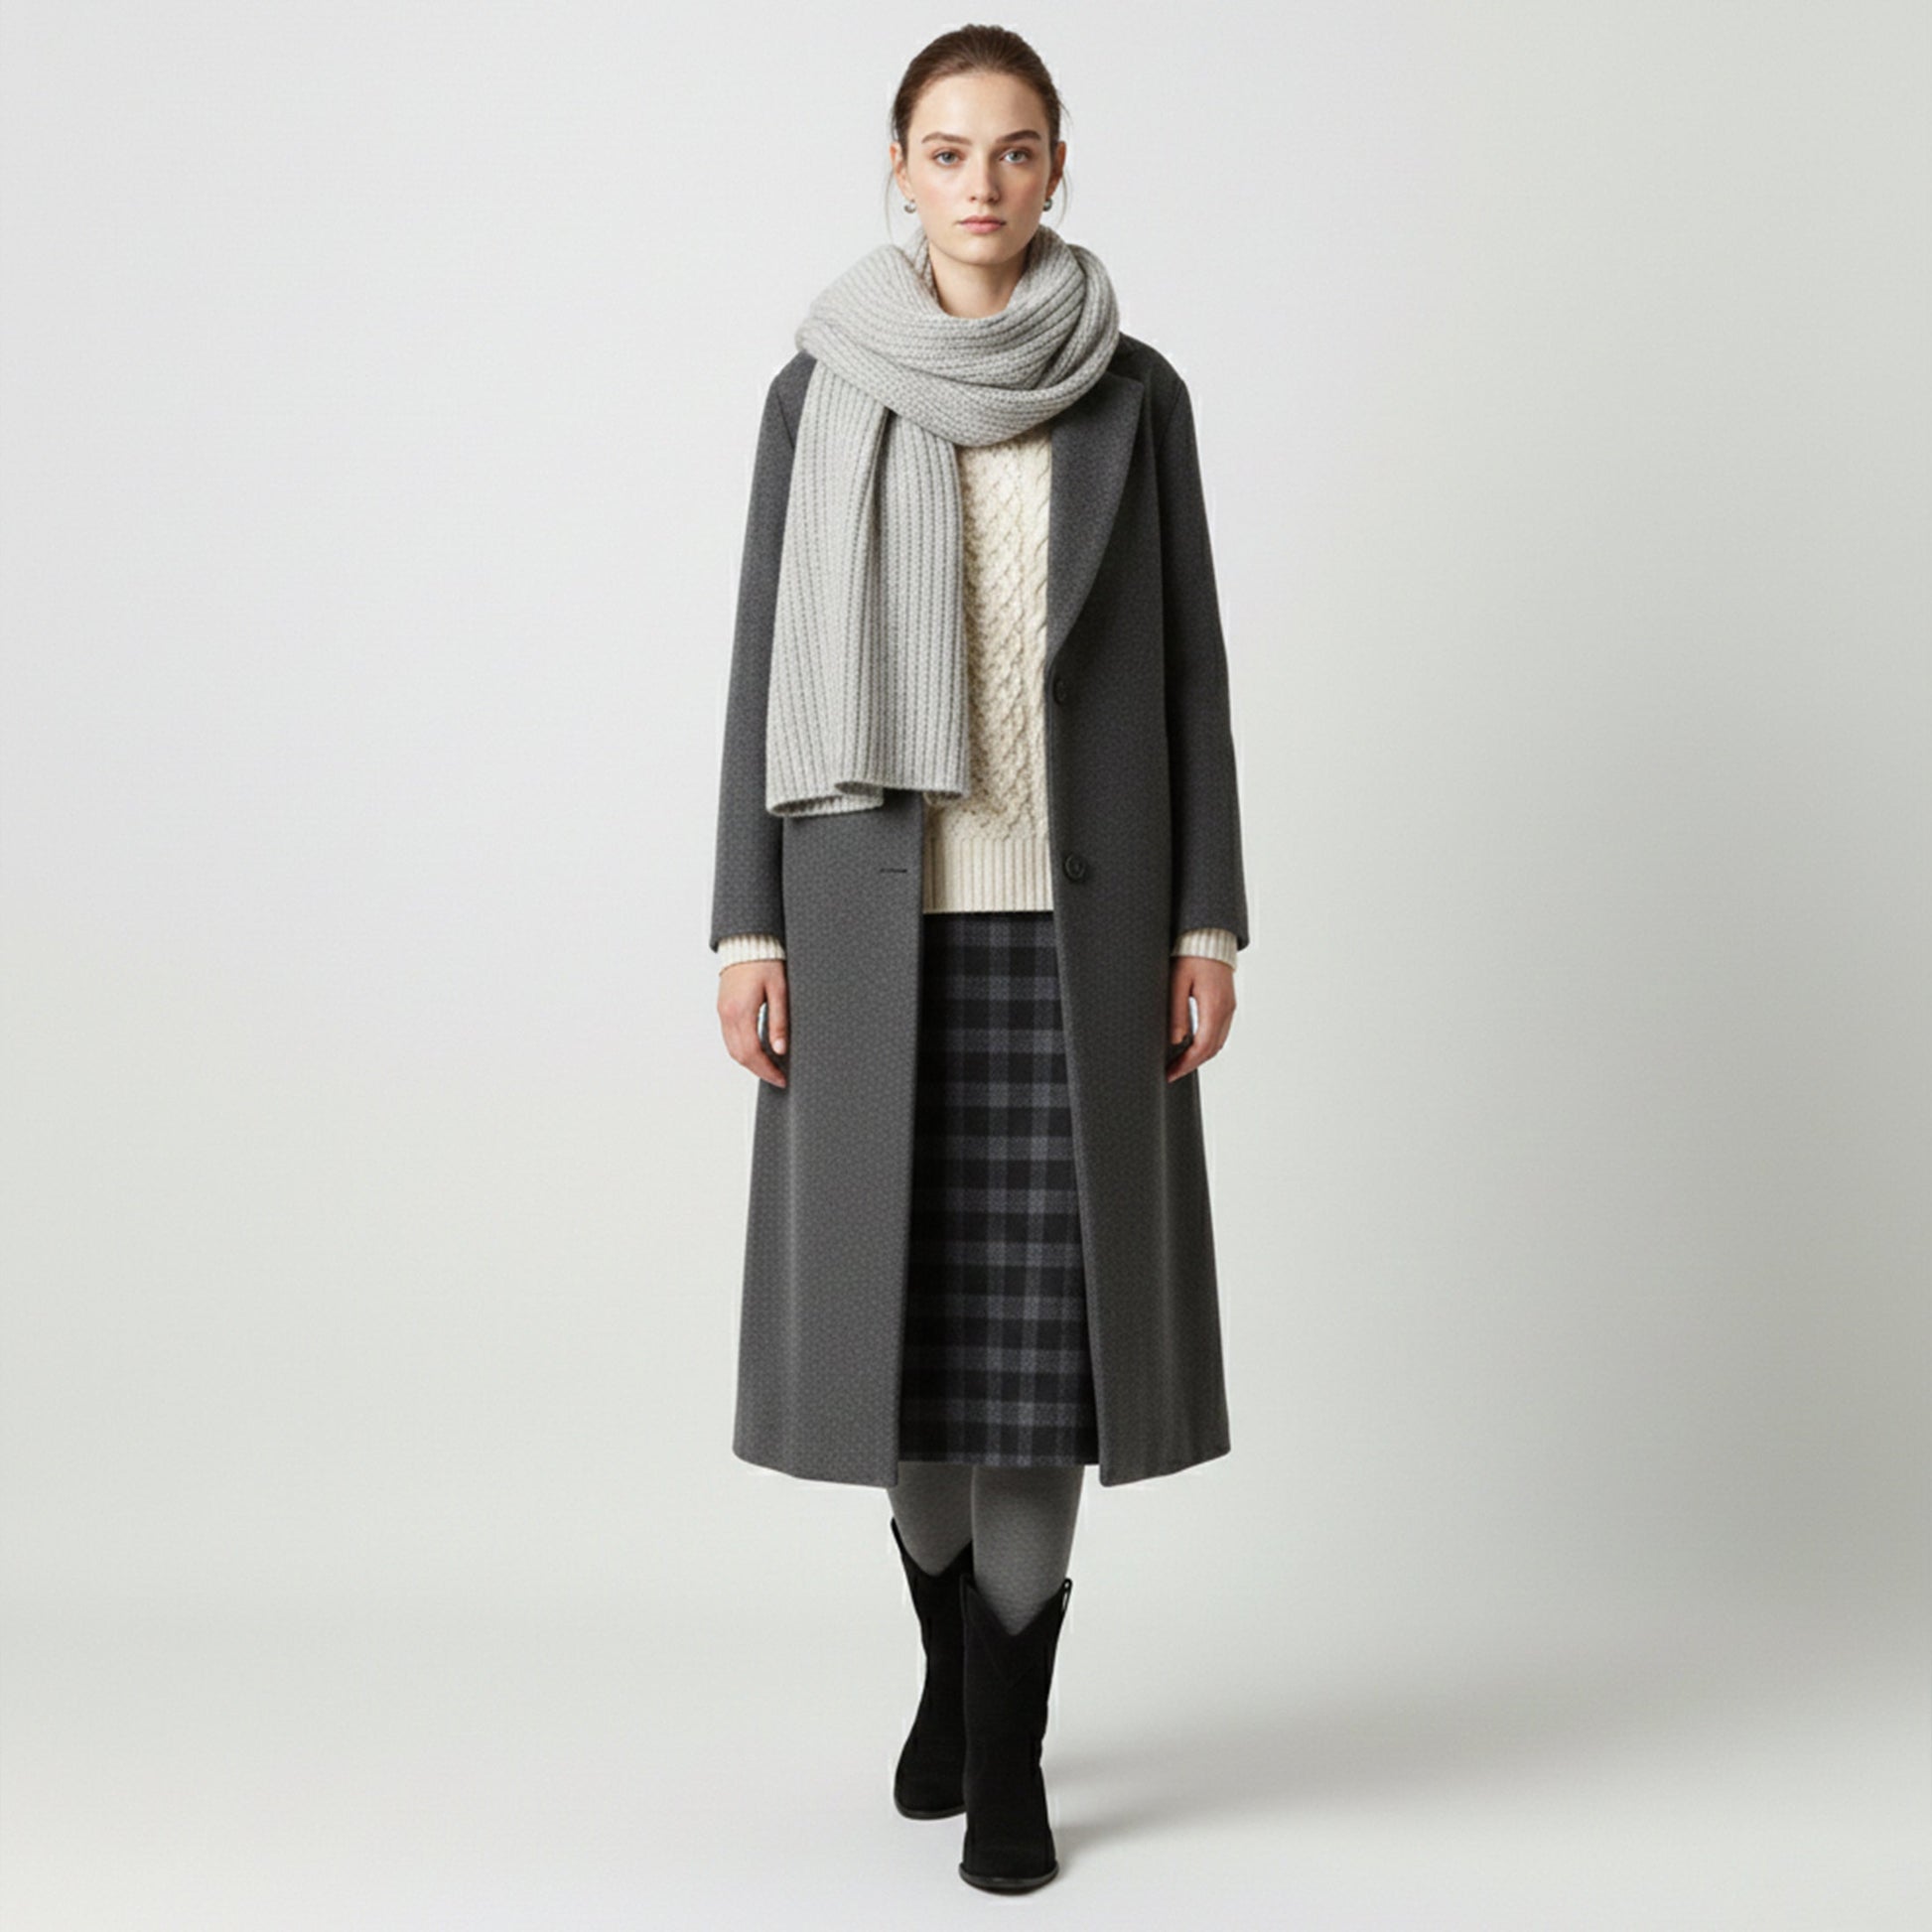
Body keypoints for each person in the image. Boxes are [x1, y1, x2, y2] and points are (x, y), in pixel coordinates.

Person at [709, 26, 1249, 1893]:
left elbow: (1187, 667)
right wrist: (746, 921)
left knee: (1039, 1368)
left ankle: (1006, 1748)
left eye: (1015, 151)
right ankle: (948, 1666)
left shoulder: (1132, 394)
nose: (982, 185)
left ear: (1056, 167)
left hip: (1075, 932)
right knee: (898, 1354)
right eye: (948, 151)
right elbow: (759, 666)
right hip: (869, 925)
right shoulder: (816, 392)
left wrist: (1202, 916)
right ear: (899, 165)